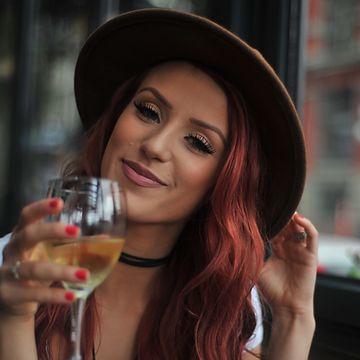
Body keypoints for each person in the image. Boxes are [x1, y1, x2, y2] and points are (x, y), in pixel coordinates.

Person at [0, 8, 318, 360]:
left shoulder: (226, 304)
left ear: (223, 182)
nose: (155, 145)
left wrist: (294, 318)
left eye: (198, 142)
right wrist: (13, 319)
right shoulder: (12, 269)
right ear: (115, 120)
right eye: (148, 111)